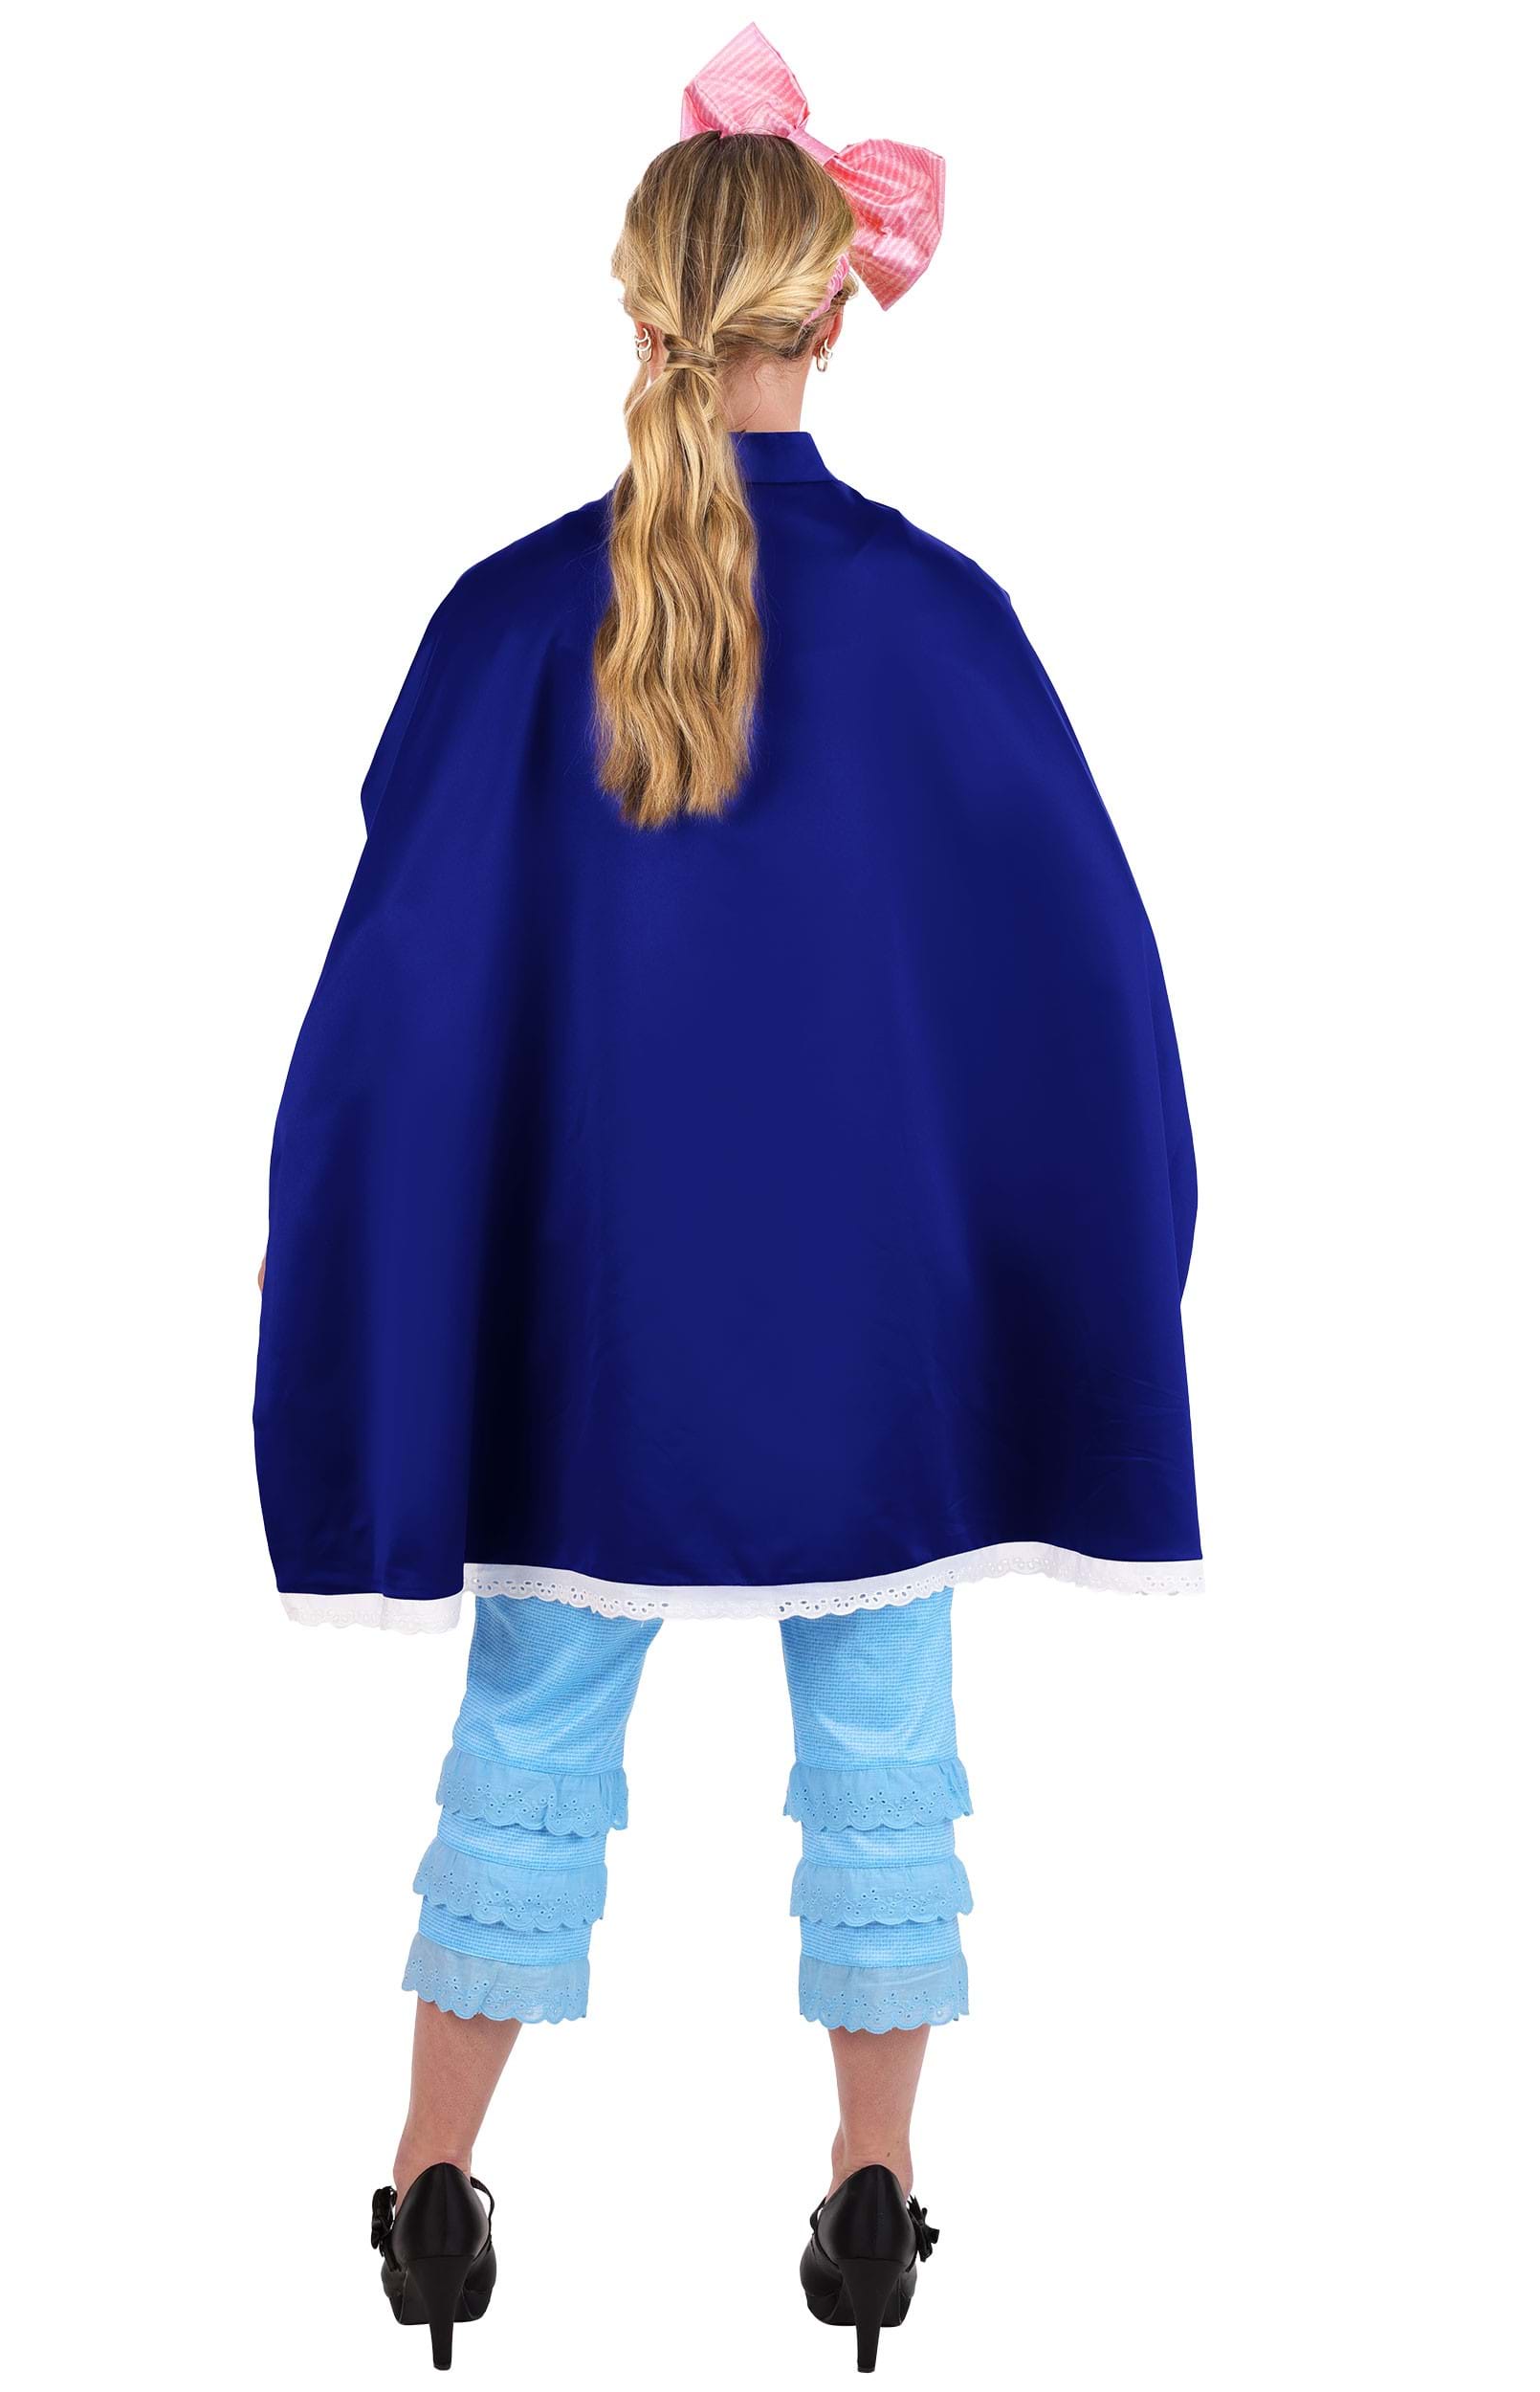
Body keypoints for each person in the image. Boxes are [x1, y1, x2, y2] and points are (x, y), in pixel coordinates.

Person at [254, 25, 1199, 2375]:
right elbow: (1078, 972)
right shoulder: (943, 620)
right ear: (833, 311)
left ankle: (431, 2185)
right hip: (876, 1351)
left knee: (524, 1737)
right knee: (884, 1751)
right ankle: (872, 2191)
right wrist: (1089, 1247)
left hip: (589, 1348)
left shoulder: (504, 621)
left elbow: (401, 991)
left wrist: (372, 1269)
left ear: (637, 304)